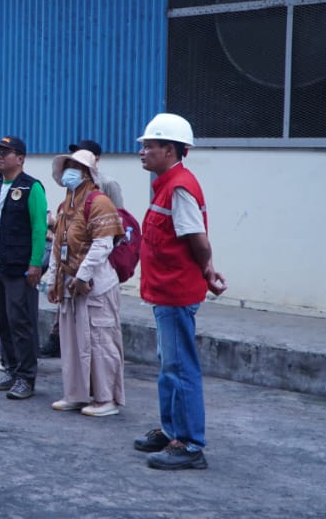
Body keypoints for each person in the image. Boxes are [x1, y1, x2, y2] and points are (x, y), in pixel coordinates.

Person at [132, 113, 227, 470]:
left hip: (175, 292)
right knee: (168, 365)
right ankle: (171, 429)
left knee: (180, 367)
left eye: (149, 146)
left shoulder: (180, 187)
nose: (142, 151)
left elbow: (196, 238)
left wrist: (207, 268)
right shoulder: (166, 184)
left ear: (169, 150)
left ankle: (189, 445)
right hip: (164, 291)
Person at [43, 149, 126, 417]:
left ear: (88, 173)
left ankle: (106, 399)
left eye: (75, 167)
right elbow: (58, 246)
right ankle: (75, 394)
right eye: (67, 166)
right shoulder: (65, 206)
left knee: (101, 342)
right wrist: (52, 281)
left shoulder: (99, 202)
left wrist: (82, 276)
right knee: (72, 343)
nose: (69, 172)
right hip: (70, 286)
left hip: (96, 286)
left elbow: (103, 245)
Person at [0, 135, 47, 400]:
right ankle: (11, 369)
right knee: (3, 321)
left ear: (20, 158)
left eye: (5, 152)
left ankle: (26, 377)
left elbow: (39, 227)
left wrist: (35, 264)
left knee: (21, 322)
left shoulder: (32, 188)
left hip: (18, 267)